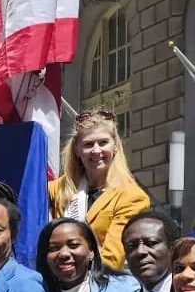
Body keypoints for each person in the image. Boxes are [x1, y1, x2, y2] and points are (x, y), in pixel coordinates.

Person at [48, 111, 151, 272]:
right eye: (88, 144)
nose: (96, 151)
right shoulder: (55, 190)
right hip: (54, 279)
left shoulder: (132, 197)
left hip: (99, 279)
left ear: (115, 146)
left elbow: (111, 259)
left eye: (103, 143)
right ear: (77, 149)